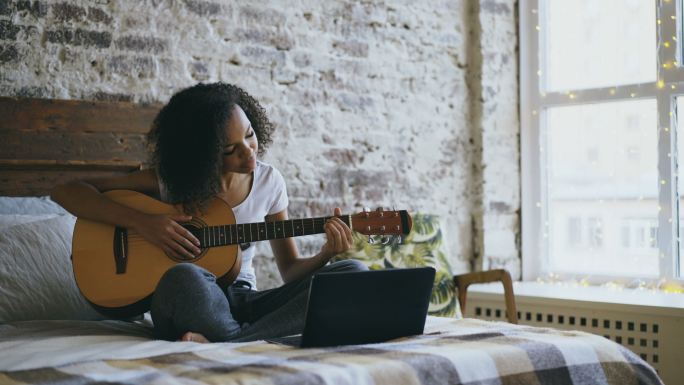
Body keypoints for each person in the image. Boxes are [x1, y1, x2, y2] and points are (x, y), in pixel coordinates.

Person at [51, 82, 367, 343]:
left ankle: (228, 340)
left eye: (250, 135)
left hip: (244, 301)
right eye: (230, 150)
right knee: (184, 275)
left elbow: (290, 271)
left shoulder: (269, 182)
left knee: (353, 274)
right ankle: (246, 339)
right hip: (189, 302)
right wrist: (145, 224)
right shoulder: (171, 183)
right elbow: (65, 189)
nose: (249, 152)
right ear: (199, 154)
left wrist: (327, 253)